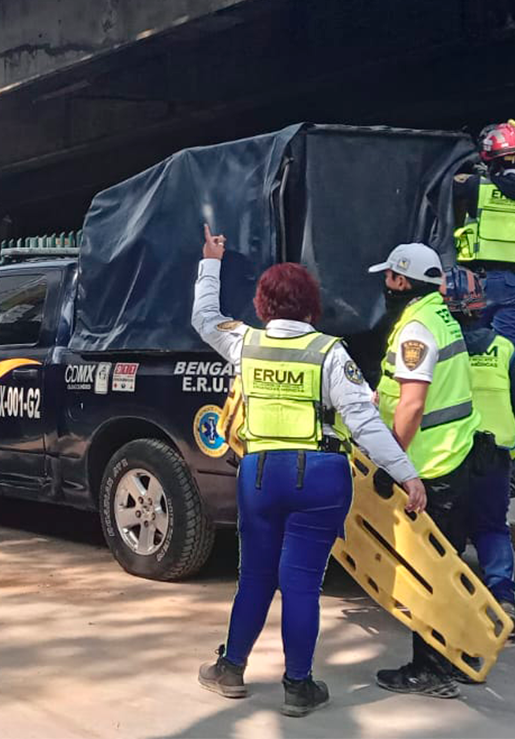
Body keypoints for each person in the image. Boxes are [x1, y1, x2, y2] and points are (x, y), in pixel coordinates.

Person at [193, 225, 424, 718]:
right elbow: (364, 422)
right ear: (311, 306)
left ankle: (231, 670)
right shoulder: (329, 353)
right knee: (300, 583)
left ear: (262, 304)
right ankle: (298, 687)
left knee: (254, 577)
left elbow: (204, 317)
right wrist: (406, 473)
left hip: (259, 475)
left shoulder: (245, 344)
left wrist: (210, 262)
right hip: (320, 476)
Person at [368, 243, 482, 699]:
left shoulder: (416, 329)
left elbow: (413, 404)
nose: (386, 285)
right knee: (451, 567)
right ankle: (460, 655)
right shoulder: (441, 314)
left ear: (401, 280)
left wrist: (392, 462)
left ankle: (429, 669)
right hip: (457, 454)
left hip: (432, 465)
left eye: (390, 278)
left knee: (428, 572)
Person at [440, 267, 515, 638]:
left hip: (453, 452)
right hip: (496, 454)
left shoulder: (442, 350)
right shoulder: (505, 349)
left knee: (449, 530)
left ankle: (455, 604)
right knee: (492, 528)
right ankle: (503, 597)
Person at [455, 121, 515, 343]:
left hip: (475, 281)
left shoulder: (474, 186)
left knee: (470, 344)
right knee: (507, 349)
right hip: (513, 284)